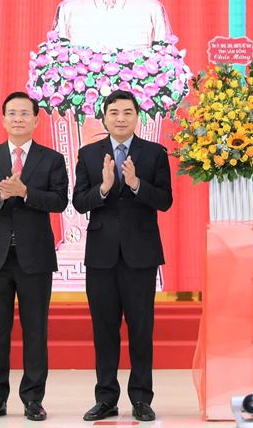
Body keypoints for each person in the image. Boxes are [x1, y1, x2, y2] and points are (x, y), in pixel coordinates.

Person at [0, 92, 69, 422]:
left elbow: (59, 201)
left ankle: (33, 399)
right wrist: (0, 195)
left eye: (25, 113)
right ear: (3, 119)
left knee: (35, 330)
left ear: (37, 119)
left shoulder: (51, 159)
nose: (18, 118)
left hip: (34, 257)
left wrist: (25, 193)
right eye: (12, 113)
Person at [73, 90, 173, 422]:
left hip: (140, 255)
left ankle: (141, 399)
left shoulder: (155, 153)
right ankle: (106, 399)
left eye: (127, 112)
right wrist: (103, 188)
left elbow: (164, 200)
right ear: (104, 117)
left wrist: (134, 184)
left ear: (137, 117)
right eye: (114, 112)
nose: (120, 118)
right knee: (104, 329)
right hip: (101, 255)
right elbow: (79, 201)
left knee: (141, 328)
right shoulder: (88, 154)